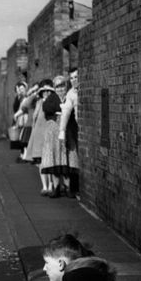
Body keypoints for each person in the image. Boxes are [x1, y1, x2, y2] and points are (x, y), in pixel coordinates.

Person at [40, 76, 79, 199]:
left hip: (67, 132)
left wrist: (64, 110)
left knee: (66, 160)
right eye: (57, 87)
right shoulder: (51, 98)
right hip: (53, 134)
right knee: (56, 160)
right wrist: (61, 108)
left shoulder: (69, 96)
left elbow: (72, 109)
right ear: (54, 88)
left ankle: (68, 188)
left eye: (62, 86)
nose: (60, 89)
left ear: (65, 86)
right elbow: (46, 107)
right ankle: (56, 188)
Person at [19, 79, 54, 196]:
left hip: (48, 135)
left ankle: (50, 186)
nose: (46, 92)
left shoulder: (53, 101)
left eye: (48, 90)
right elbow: (25, 104)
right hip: (38, 135)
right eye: (43, 90)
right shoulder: (37, 102)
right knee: (41, 163)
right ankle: (44, 186)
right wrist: (34, 92)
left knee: (48, 162)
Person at [59, 68, 80, 198]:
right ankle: (74, 189)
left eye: (76, 77)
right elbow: (66, 111)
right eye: (71, 78)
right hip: (77, 130)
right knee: (75, 158)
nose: (74, 80)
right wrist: (62, 130)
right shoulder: (71, 94)